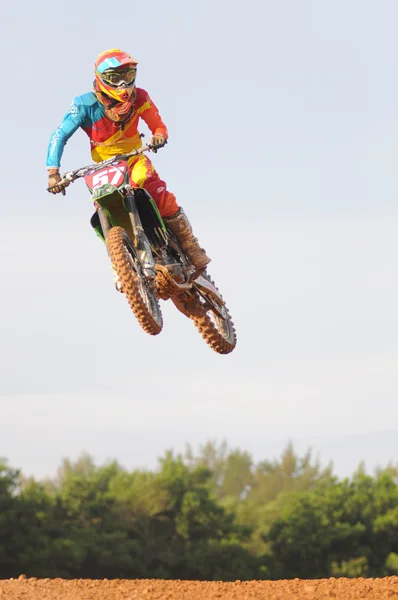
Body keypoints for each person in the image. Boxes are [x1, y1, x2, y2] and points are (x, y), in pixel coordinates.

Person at [46, 48, 210, 284]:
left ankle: (191, 247)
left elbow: (158, 125)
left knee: (153, 189)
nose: (124, 84)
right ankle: (121, 265)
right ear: (101, 78)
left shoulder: (140, 97)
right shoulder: (83, 105)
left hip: (134, 158)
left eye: (129, 76)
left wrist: (158, 136)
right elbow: (59, 134)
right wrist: (53, 172)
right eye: (115, 78)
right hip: (103, 167)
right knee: (104, 208)